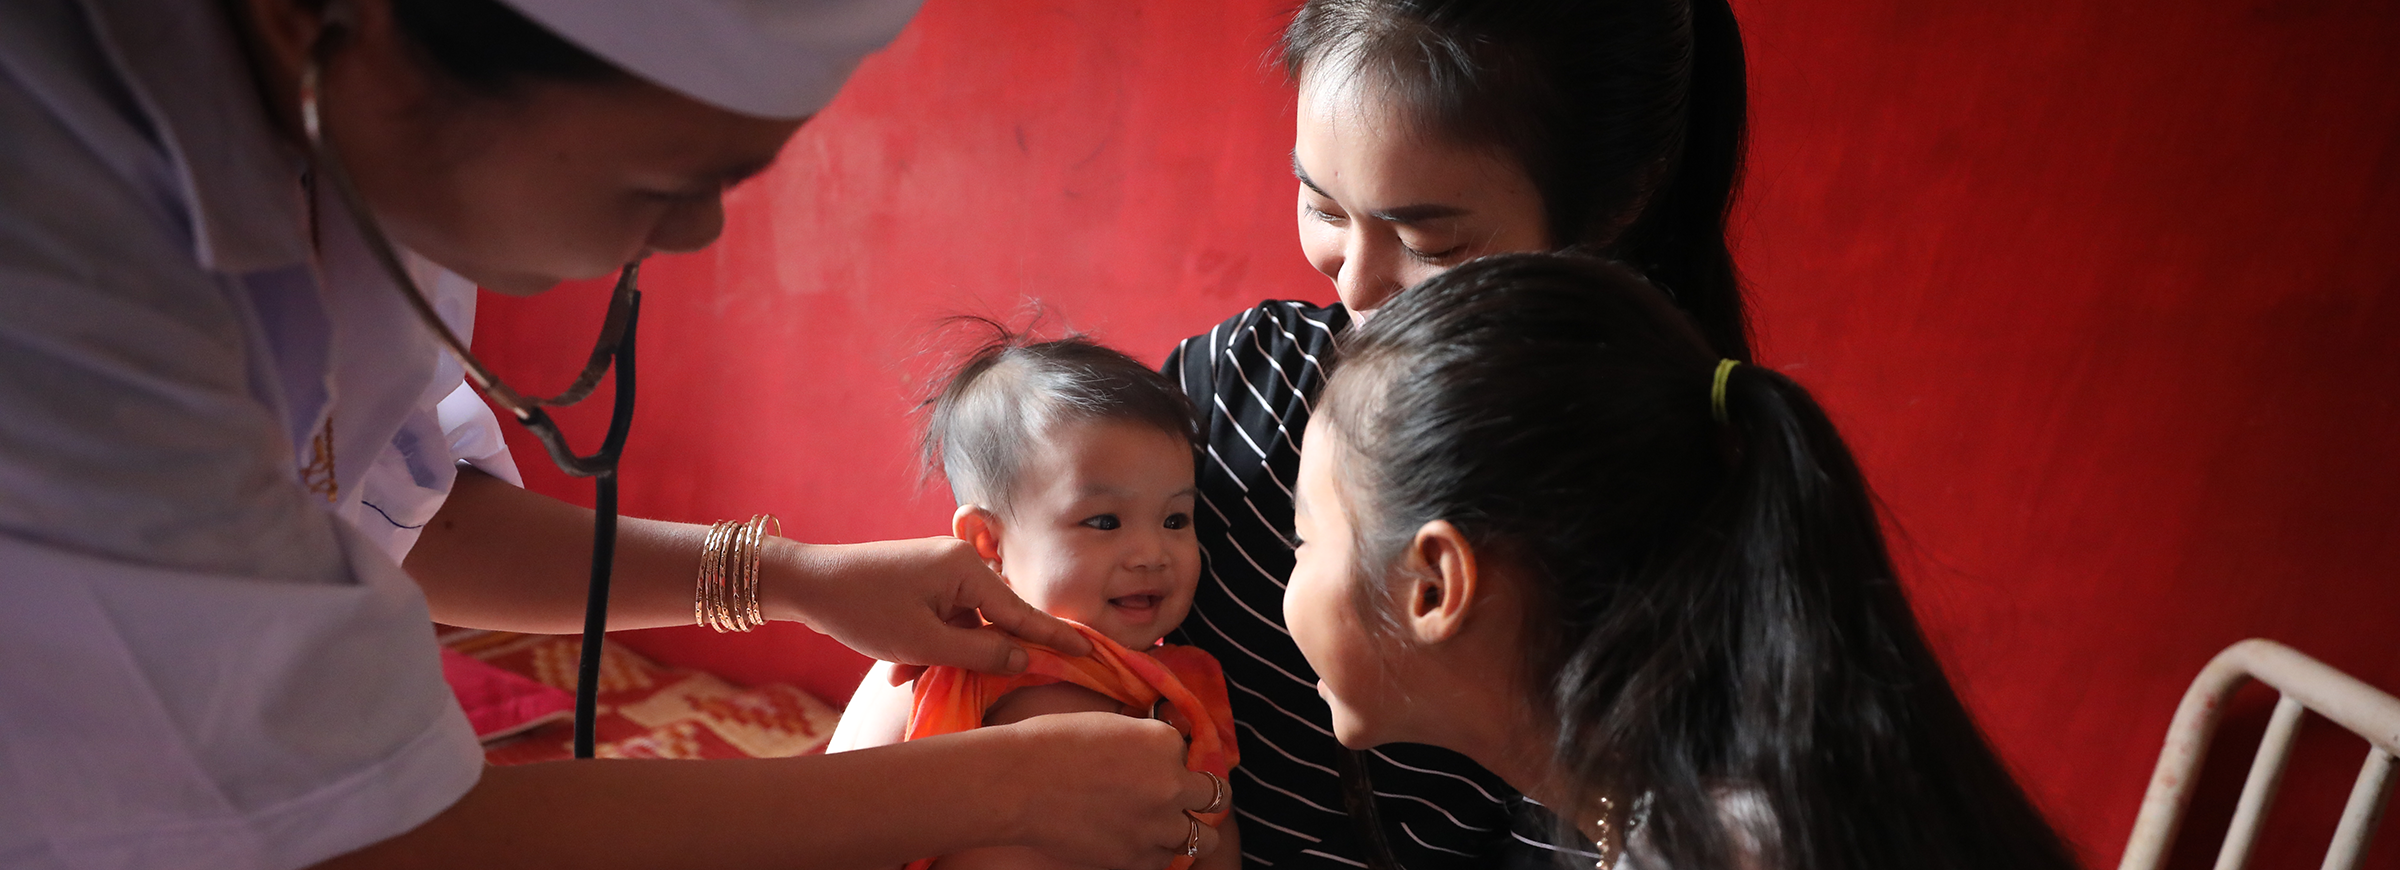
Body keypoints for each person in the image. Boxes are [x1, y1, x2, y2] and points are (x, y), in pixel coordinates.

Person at [0, 0, 1222, 868]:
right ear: (321, 21)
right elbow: (371, 836)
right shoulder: (57, 263)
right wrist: (994, 788)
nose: (694, 238)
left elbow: (402, 510)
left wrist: (789, 579)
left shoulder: (374, 149)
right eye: (661, 183)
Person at [1160, 0, 1753, 864]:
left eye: (1427, 243)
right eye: (1323, 207)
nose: (1357, 288)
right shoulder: (1245, 392)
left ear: (1617, 200)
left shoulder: (1682, 534)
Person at [1284, 253, 2082, 870]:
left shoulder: (1721, 847)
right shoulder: (1714, 803)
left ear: (1435, 585)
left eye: (1307, 540)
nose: (1292, 572)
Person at [831, 330, 1243, 870]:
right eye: (1103, 521)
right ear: (990, 542)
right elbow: (846, 809)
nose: (1152, 553)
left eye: (1175, 520)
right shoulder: (948, 662)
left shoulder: (1179, 695)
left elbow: (1210, 835)